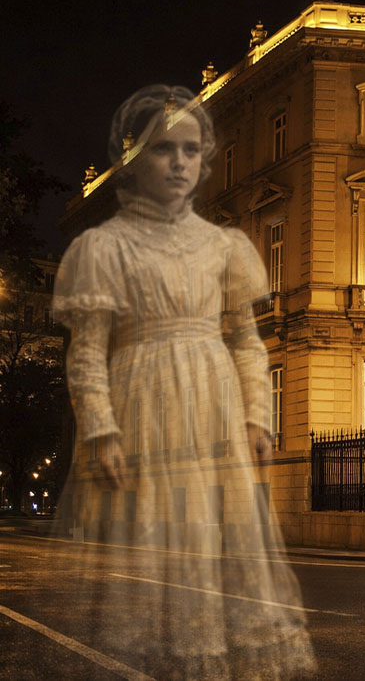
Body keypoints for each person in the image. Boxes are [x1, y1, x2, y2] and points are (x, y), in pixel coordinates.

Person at [52, 85, 315, 680]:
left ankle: (201, 664)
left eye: (191, 150)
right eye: (163, 148)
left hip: (211, 397)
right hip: (139, 395)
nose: (179, 162)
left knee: (206, 545)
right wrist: (100, 427)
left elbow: (247, 339)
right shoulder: (102, 246)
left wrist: (256, 416)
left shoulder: (226, 245)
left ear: (204, 159)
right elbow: (87, 351)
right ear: (135, 161)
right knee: (145, 546)